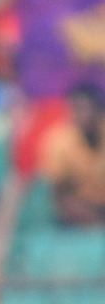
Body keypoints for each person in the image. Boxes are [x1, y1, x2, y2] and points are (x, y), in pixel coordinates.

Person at [41, 84, 105, 226]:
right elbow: (61, 197)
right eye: (74, 109)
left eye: (83, 109)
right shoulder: (61, 143)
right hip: (80, 215)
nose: (78, 115)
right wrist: (96, 222)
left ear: (99, 111)